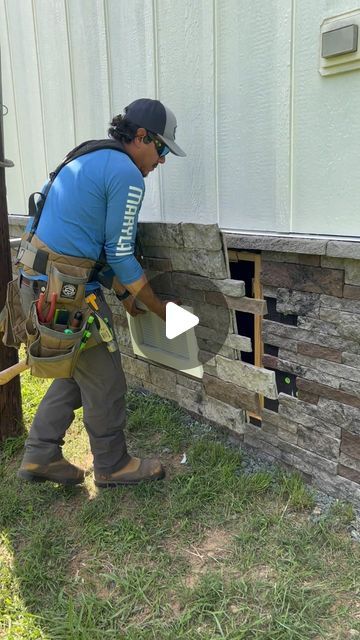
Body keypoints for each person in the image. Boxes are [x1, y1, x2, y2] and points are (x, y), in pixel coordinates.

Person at [17, 98, 186, 488]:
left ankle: (41, 454)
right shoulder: (127, 174)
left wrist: (125, 296)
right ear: (141, 137)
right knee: (107, 380)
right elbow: (123, 255)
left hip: (35, 283)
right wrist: (163, 311)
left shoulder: (86, 157)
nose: (161, 160)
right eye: (161, 148)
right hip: (66, 296)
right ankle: (113, 464)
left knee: (78, 372)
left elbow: (92, 243)